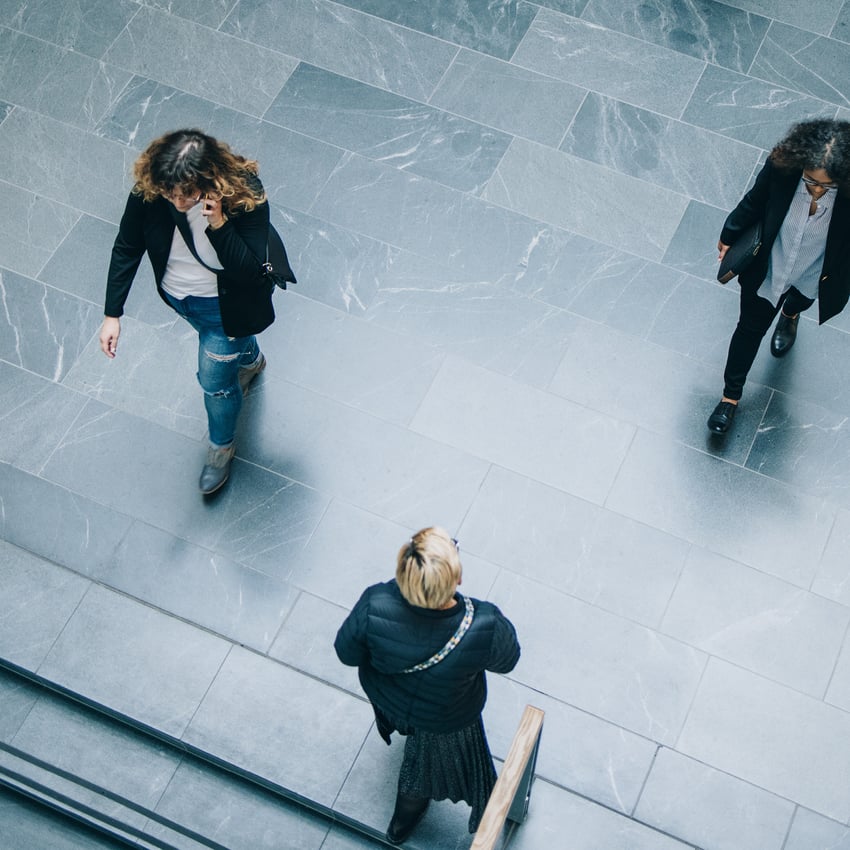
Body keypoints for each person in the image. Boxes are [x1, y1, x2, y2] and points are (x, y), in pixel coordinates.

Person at [99, 129, 293, 493]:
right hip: (181, 300)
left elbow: (250, 274)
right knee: (233, 349)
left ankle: (221, 446)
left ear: (209, 179)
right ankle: (250, 360)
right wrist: (113, 312)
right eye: (169, 193)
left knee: (215, 383)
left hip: (224, 307)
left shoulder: (245, 196)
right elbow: (127, 244)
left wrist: (218, 224)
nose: (175, 200)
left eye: (185, 193)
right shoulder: (156, 187)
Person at [334, 527, 520, 845]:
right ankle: (402, 823)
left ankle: (402, 823)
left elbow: (346, 652)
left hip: (387, 699)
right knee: (420, 769)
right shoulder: (483, 624)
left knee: (413, 744)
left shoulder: (374, 602)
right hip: (444, 717)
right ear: (457, 580)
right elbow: (508, 660)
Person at [708, 118, 850, 434]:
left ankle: (790, 313)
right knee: (748, 329)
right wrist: (729, 233)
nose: (815, 190)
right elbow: (755, 200)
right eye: (809, 180)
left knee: (799, 299)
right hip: (770, 269)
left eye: (825, 186)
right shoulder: (783, 169)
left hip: (814, 276)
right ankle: (729, 398)